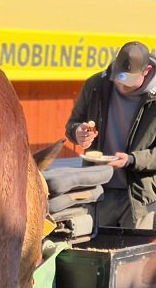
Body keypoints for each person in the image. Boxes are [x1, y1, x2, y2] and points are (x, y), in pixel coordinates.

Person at [65, 40, 156, 229]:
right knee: (95, 246)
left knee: (137, 248)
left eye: (128, 81)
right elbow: (72, 124)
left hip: (139, 198)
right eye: (119, 78)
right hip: (97, 192)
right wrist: (77, 132)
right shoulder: (96, 84)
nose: (121, 86)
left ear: (146, 70)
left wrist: (132, 160)